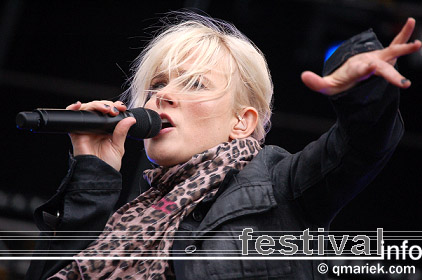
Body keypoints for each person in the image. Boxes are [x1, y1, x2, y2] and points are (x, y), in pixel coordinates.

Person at [26, 12, 421, 280]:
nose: (164, 96)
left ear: (242, 122)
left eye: (194, 83)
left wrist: (362, 88)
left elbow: (361, 145)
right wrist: (92, 176)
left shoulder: (280, 188)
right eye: (157, 85)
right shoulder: (131, 215)